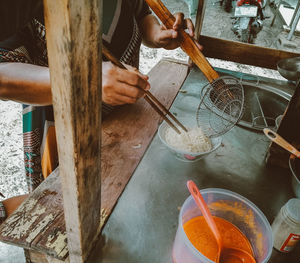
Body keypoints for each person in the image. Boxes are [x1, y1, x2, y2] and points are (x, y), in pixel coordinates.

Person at [0, 0, 199, 223]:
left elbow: (139, 13)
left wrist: (156, 33)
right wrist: (83, 81)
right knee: (73, 216)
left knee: (127, 204)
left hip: (127, 113)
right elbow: (3, 75)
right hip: (66, 129)